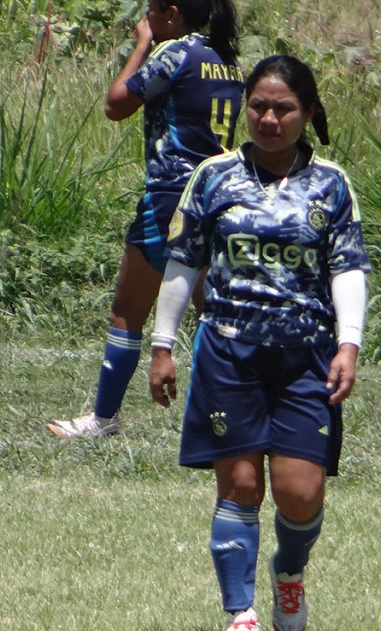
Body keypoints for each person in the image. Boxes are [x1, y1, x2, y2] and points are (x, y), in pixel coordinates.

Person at [147, 55, 370, 631]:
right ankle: (240, 611)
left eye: (284, 109)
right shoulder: (214, 176)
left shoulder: (331, 184)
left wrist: (348, 344)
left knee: (301, 493)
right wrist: (163, 345)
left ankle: (289, 572)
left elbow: (348, 268)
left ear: (309, 112)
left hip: (306, 357)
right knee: (240, 484)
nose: (269, 120)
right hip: (229, 351)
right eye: (259, 107)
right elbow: (183, 262)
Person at [47, 0, 244, 439]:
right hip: (218, 194)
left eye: (152, 10)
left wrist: (142, 45)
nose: (145, 19)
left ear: (172, 13)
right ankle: (228, 416)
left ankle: (103, 418)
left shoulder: (175, 52)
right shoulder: (227, 59)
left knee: (127, 311)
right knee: (211, 312)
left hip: (171, 197)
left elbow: (116, 104)